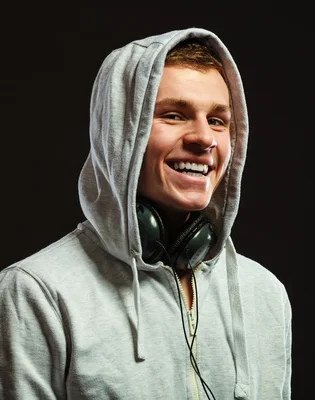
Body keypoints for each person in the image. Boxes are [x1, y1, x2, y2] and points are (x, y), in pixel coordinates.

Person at [0, 27, 292, 399]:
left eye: (218, 120)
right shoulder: (36, 292)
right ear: (119, 132)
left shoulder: (265, 294)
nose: (204, 138)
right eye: (173, 115)